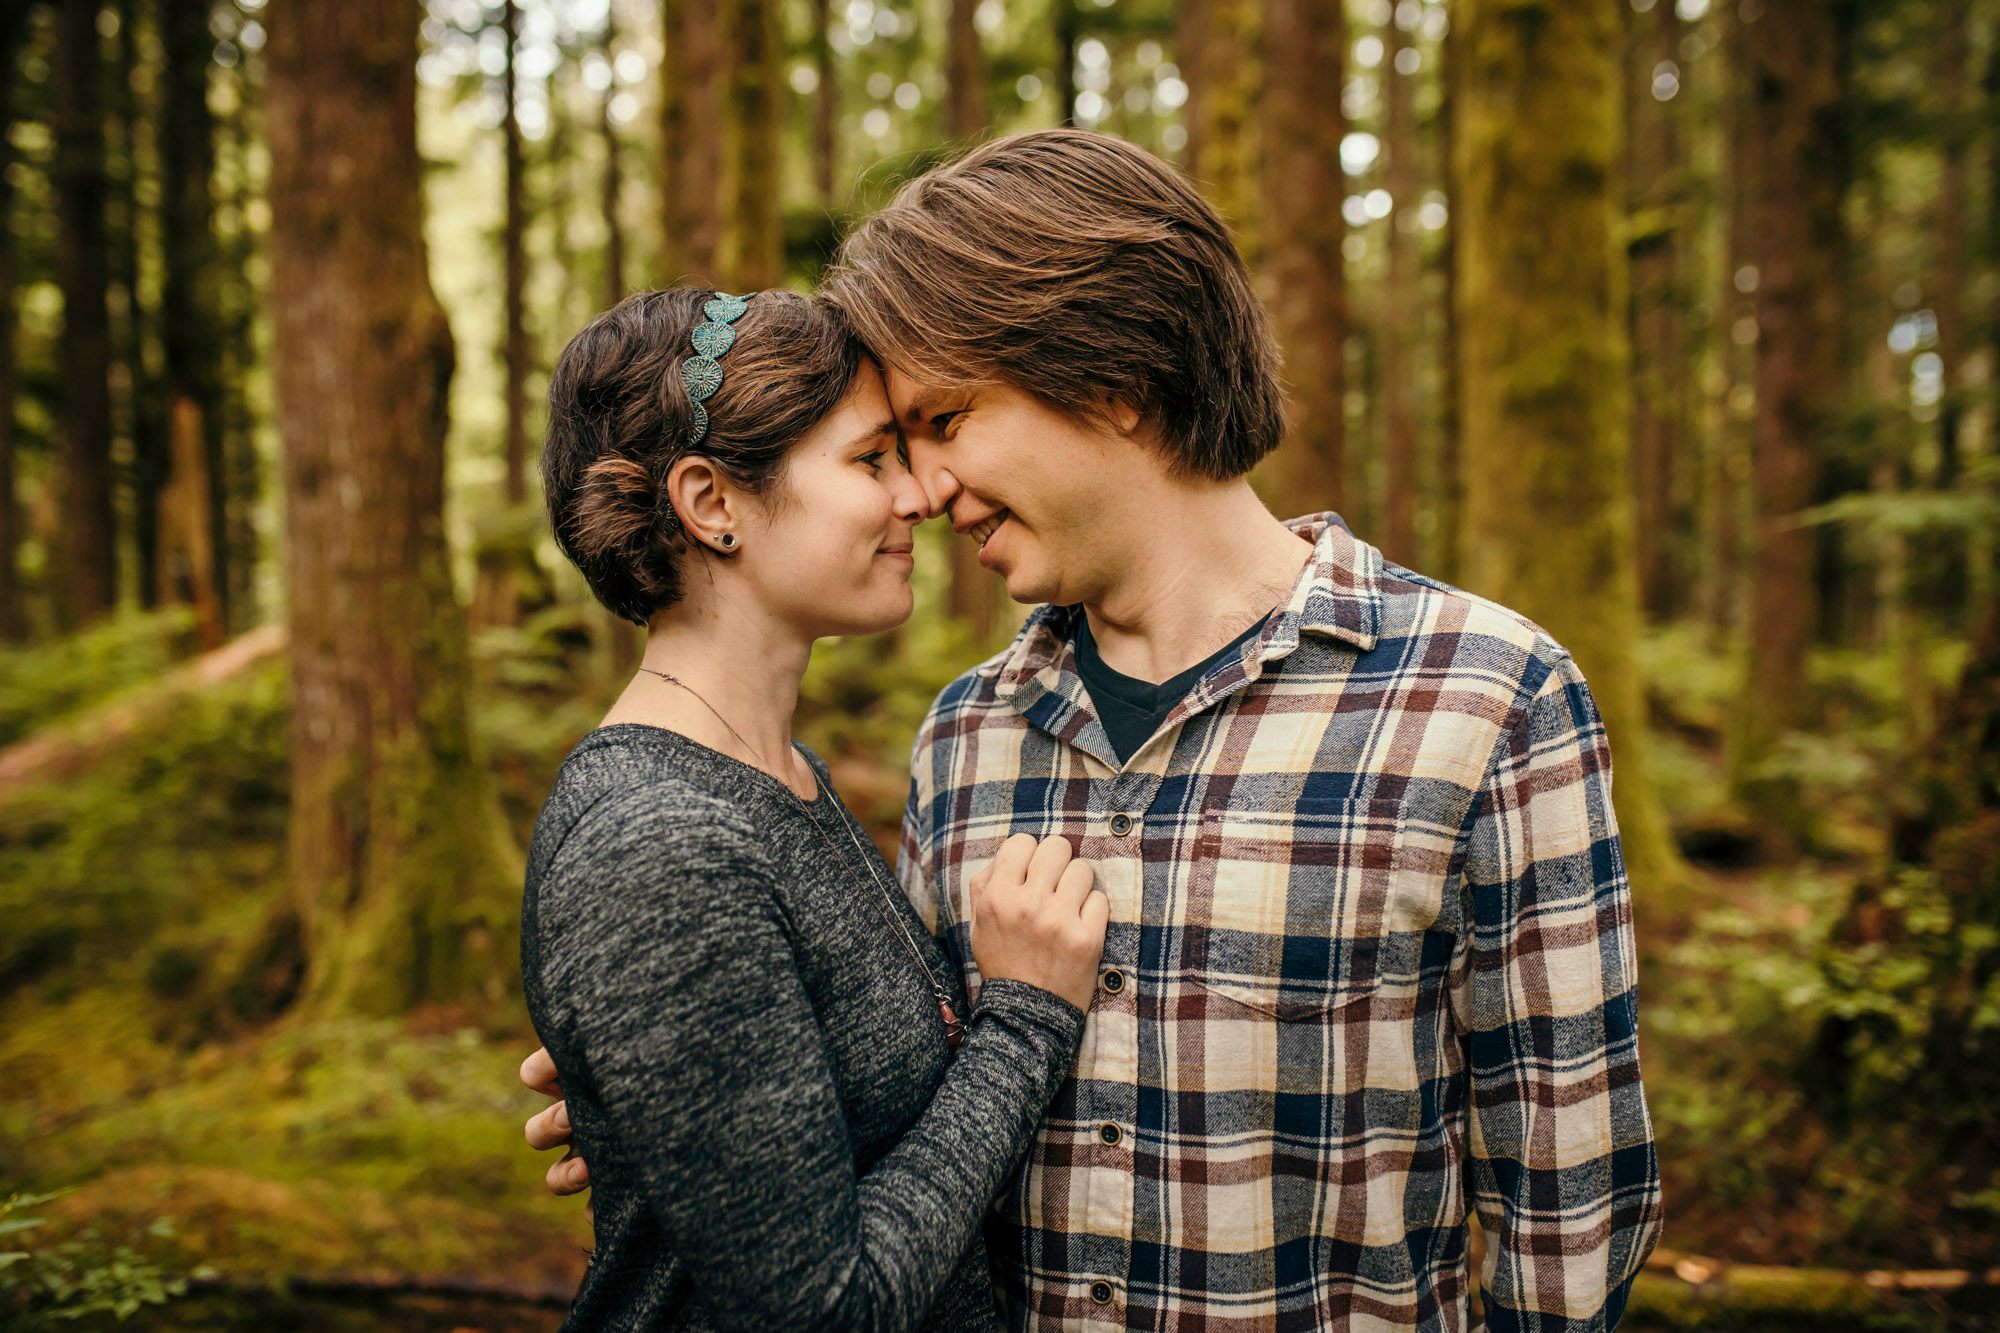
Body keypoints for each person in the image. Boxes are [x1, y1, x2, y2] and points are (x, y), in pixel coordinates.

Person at [528, 130, 1664, 1331]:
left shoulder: (1482, 698)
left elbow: (1565, 1219)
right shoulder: (967, 737)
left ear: (1114, 377)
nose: (924, 489)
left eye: (945, 419)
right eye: (893, 447)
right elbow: (910, 1108)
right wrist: (697, 1112)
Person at [520, 285, 1110, 1332]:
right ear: (711, 504)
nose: (919, 495)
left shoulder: (775, 774)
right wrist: (1024, 1023)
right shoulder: (661, 842)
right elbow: (817, 1310)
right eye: (869, 459)